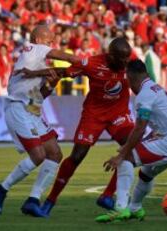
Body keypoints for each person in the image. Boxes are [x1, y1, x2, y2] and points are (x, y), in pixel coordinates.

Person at [20, 37, 135, 216]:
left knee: (131, 148)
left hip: (119, 114)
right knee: (77, 156)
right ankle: (50, 201)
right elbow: (63, 72)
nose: (125, 62)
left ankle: (106, 196)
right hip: (94, 115)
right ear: (111, 56)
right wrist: (36, 73)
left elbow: (145, 84)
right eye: (122, 59)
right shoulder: (92, 63)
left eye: (127, 58)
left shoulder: (132, 64)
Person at [0, 25, 79, 217]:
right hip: (18, 109)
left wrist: (54, 81)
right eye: (50, 40)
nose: (52, 44)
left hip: (32, 110)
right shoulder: (33, 48)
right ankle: (1, 189)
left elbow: (41, 95)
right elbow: (67, 58)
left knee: (55, 154)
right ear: (39, 40)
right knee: (38, 155)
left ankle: (32, 200)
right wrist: (81, 63)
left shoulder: (38, 64)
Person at [95, 59, 167, 222]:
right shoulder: (155, 88)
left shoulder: (144, 95)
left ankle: (121, 208)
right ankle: (135, 208)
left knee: (127, 159)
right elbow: (154, 126)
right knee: (145, 175)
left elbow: (139, 127)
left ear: (131, 77)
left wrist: (122, 153)